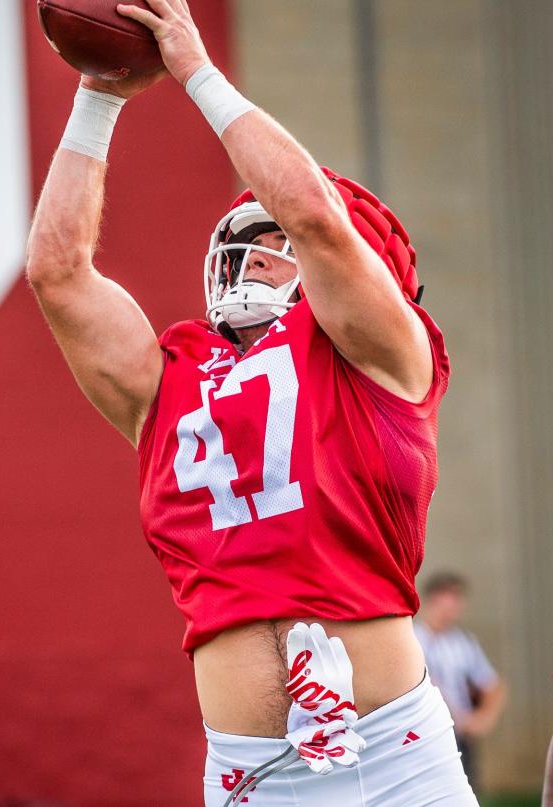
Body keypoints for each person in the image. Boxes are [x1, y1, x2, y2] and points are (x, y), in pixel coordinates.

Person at [25, 1, 472, 803]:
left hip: (396, 758)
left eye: (279, 247)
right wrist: (99, 94)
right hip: (249, 774)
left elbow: (314, 215)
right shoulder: (173, 378)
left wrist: (195, 70)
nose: (259, 257)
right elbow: (57, 273)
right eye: (248, 243)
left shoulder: (383, 354)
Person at [414, 573, 507, 793]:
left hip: (458, 735)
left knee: (463, 791)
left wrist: (482, 718)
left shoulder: (462, 642)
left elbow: (492, 685)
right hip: (423, 735)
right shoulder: (413, 638)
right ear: (430, 602)